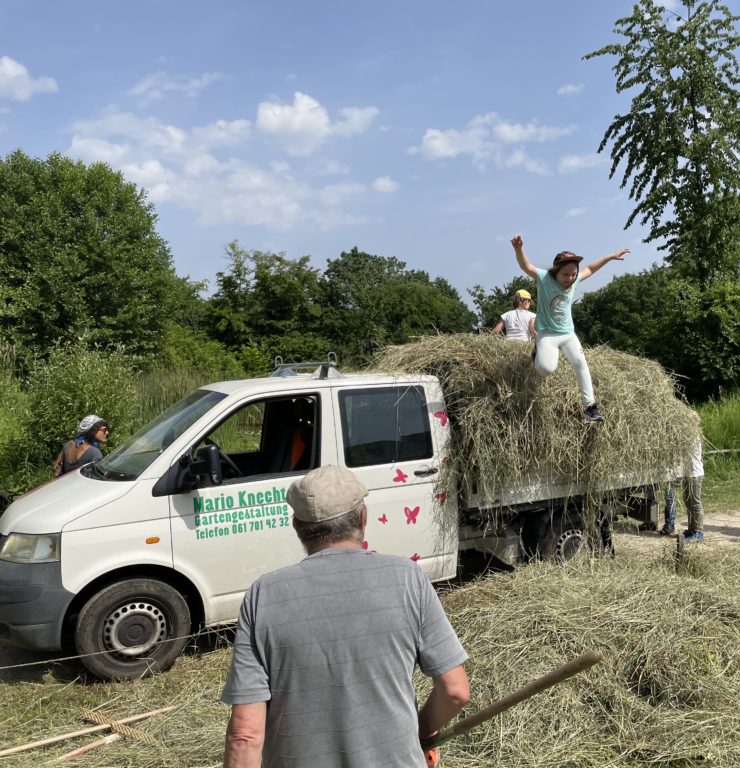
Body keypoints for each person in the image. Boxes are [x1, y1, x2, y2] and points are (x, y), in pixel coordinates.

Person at [221, 466, 470, 768]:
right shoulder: (407, 579)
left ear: (297, 526)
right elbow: (455, 691)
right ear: (363, 518)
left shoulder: (264, 595)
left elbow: (245, 734)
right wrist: (422, 730)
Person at [510, 234, 628, 423]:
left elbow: (590, 268)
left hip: (567, 333)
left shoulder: (574, 281)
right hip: (547, 334)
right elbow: (527, 266)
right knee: (547, 369)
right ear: (555, 272)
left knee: (581, 364)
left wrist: (610, 256)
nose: (570, 278)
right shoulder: (543, 278)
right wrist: (518, 249)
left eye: (573, 274)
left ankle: (589, 408)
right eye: (566, 274)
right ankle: (537, 354)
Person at [659, 439, 706, 541]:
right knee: (688, 502)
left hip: (695, 474)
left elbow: (683, 448)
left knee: (695, 503)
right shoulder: (686, 436)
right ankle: (691, 529)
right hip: (687, 474)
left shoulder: (694, 437)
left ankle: (698, 532)